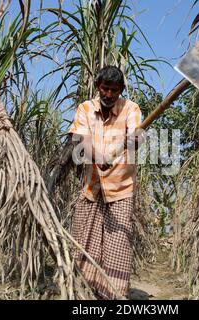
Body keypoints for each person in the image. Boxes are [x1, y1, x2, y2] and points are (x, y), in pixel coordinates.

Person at [68, 65, 142, 299]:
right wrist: (98, 157)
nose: (109, 94)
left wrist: (135, 139)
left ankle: (112, 294)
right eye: (105, 88)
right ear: (98, 87)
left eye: (114, 90)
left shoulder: (131, 109)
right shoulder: (85, 108)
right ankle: (85, 290)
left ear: (121, 90)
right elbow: (80, 138)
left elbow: (136, 136)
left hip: (121, 186)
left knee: (118, 242)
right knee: (84, 237)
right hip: (92, 185)